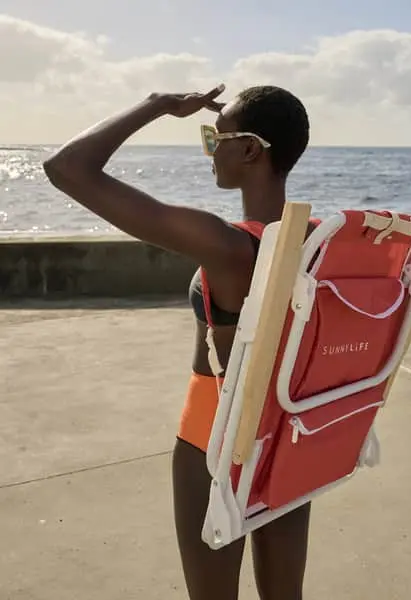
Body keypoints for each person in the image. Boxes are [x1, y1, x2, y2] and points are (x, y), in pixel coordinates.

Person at [44, 83, 315, 600]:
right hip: (286, 434)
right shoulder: (313, 241)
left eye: (216, 138)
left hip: (214, 439)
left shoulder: (230, 246)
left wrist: (158, 105)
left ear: (250, 150)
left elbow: (66, 168)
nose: (210, 151)